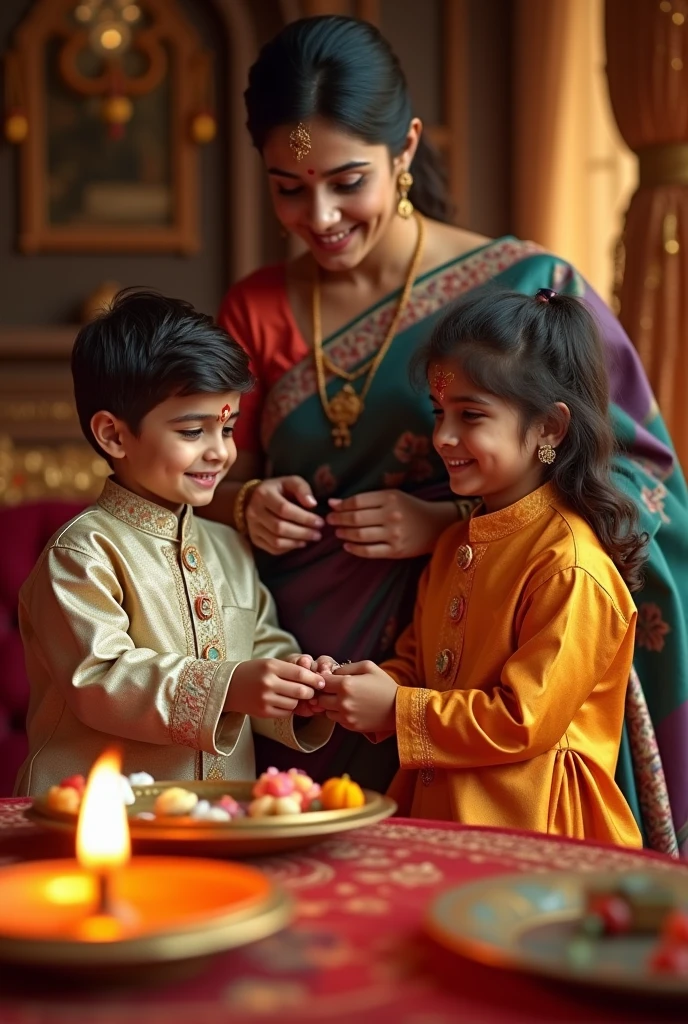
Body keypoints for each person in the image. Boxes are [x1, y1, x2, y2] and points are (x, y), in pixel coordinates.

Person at [211, 15, 688, 853]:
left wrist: (445, 525)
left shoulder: (530, 286)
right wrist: (246, 499)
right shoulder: (253, 308)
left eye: (344, 180)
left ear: (406, 150)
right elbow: (201, 480)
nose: (317, 215)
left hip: (488, 663)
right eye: (288, 186)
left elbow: (638, 481)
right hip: (309, 672)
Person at [310, 288, 644, 846]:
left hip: (540, 836)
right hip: (442, 818)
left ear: (550, 429)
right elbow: (421, 667)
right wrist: (357, 690)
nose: (442, 437)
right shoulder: (452, 546)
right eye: (440, 413)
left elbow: (522, 721)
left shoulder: (571, 567)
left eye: (471, 415)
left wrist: (397, 709)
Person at [15, 290, 332, 797]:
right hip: (92, 817)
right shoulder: (81, 555)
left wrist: (297, 684)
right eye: (192, 431)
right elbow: (100, 678)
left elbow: (260, 643)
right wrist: (233, 685)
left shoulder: (229, 547)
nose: (220, 452)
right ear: (114, 436)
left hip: (217, 817)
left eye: (227, 429)